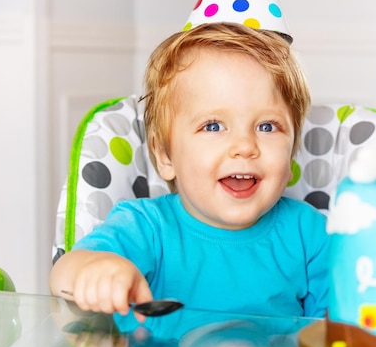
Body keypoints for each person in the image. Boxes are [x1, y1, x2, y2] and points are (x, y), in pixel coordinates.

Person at [49, 22, 329, 320]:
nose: (245, 146)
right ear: (165, 155)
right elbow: (63, 274)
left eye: (267, 126)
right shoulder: (145, 228)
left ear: (291, 153)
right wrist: (96, 271)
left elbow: (342, 330)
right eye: (213, 126)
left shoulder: (310, 235)